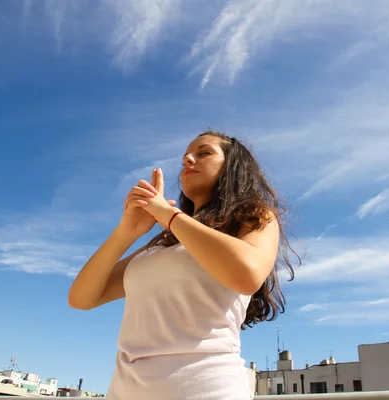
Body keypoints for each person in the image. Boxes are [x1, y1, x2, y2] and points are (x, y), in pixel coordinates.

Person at [68, 130, 299, 400]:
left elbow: (246, 275)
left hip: (208, 390)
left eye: (204, 153)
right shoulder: (164, 241)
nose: (188, 159)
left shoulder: (255, 217)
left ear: (232, 166)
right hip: (125, 390)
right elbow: (81, 298)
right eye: (185, 157)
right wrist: (125, 233)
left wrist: (167, 214)